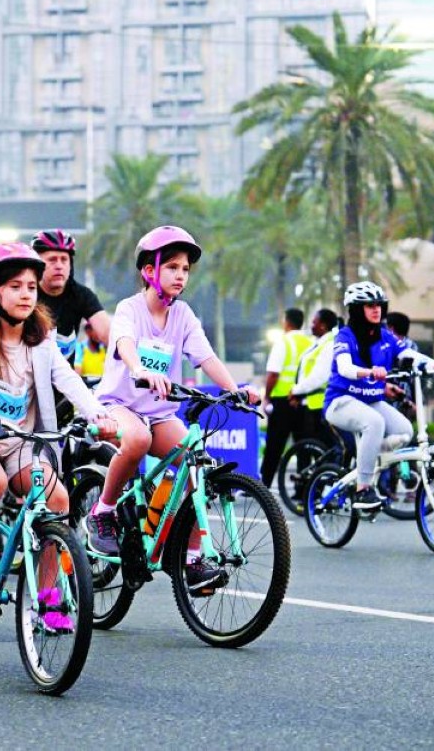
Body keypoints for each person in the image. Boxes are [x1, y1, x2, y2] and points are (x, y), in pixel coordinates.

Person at [0, 242, 117, 630]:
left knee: (58, 499)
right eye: (15, 286)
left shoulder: (43, 343)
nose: (26, 294)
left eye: (31, 286)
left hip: (21, 441)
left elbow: (69, 381)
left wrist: (97, 413)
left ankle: (47, 599)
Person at [85, 226, 259, 593]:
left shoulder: (184, 315)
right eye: (172, 267)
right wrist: (139, 369)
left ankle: (192, 560)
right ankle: (103, 511)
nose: (181, 275)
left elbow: (206, 357)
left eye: (185, 269)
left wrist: (236, 391)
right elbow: (124, 342)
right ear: (149, 271)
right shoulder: (129, 309)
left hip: (160, 414)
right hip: (120, 405)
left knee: (198, 465)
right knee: (136, 440)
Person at [324, 281, 434, 509]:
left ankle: (369, 456)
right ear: (356, 310)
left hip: (370, 401)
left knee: (405, 431)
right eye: (369, 305)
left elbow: (410, 355)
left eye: (379, 305)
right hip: (340, 402)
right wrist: (369, 371)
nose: (376, 309)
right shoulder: (345, 336)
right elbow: (345, 368)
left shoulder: (385, 337)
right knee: (374, 422)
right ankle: (363, 489)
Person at [31, 229, 110, 363]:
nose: (59, 266)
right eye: (52, 260)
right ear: (37, 265)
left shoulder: (82, 295)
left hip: (66, 374)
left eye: (64, 260)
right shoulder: (27, 294)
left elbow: (108, 333)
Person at [288, 308, 341, 493]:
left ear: (324, 325)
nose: (311, 325)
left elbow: (319, 376)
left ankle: (320, 489)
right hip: (311, 403)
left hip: (320, 405)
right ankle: (309, 489)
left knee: (324, 450)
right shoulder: (319, 343)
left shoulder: (329, 344)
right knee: (311, 449)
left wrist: (296, 390)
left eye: (314, 322)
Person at [260, 307, 313, 487]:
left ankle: (263, 485)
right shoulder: (311, 342)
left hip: (282, 401)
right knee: (303, 447)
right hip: (304, 401)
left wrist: (267, 397)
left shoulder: (283, 342)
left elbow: (273, 374)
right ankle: (303, 489)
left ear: (286, 322)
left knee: (274, 446)